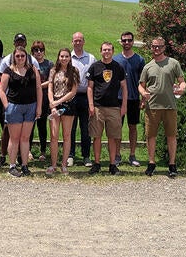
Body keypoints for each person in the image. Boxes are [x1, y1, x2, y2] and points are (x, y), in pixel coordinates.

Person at [138, 36, 186, 177]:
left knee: (171, 135)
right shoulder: (148, 66)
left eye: (159, 46)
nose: (156, 49)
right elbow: (141, 85)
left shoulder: (173, 63)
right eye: (154, 46)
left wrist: (182, 89)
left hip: (170, 106)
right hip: (152, 106)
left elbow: (182, 81)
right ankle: (151, 163)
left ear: (164, 47)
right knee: (150, 136)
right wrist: (143, 93)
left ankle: (172, 165)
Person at [0, 33, 40, 168]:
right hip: (14, 106)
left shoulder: (33, 67)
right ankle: (12, 165)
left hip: (30, 106)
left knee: (25, 138)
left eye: (22, 56)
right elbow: (1, 89)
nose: (20, 58)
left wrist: (38, 107)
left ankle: (25, 165)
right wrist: (7, 106)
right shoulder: (8, 68)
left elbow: (38, 88)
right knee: (13, 138)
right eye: (18, 56)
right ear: (14, 56)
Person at [86, 41, 127, 175]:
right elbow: (89, 87)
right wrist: (91, 105)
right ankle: (97, 163)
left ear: (113, 51)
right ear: (101, 51)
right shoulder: (94, 67)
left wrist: (124, 106)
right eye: (104, 50)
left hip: (114, 107)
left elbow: (124, 88)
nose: (107, 52)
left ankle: (112, 165)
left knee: (113, 137)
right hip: (97, 106)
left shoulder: (118, 67)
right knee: (96, 137)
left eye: (109, 50)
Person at [113, 31, 145, 167]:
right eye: (124, 40)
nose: (126, 43)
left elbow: (143, 82)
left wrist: (143, 98)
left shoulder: (140, 60)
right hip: (117, 99)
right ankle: (117, 155)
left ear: (132, 42)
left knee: (133, 127)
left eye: (129, 40)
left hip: (133, 98)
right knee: (117, 128)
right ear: (121, 42)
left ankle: (132, 155)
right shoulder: (115, 59)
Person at [46, 48, 79, 175]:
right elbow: (50, 88)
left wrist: (58, 102)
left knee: (66, 136)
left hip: (68, 105)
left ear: (70, 58)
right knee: (54, 136)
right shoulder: (53, 71)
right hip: (54, 105)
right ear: (58, 57)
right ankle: (53, 164)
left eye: (66, 56)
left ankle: (64, 164)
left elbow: (73, 91)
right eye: (62, 56)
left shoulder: (74, 71)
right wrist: (52, 104)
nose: (64, 58)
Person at [69, 32, 96, 167]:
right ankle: (70, 155)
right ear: (72, 42)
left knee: (86, 128)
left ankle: (86, 156)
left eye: (80, 40)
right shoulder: (68, 57)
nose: (78, 43)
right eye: (75, 40)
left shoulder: (91, 58)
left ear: (84, 42)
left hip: (85, 97)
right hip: (71, 97)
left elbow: (94, 79)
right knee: (70, 128)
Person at [30, 40, 53, 162]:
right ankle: (27, 150)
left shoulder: (49, 64)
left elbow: (51, 80)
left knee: (42, 126)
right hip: (31, 99)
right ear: (32, 52)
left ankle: (43, 151)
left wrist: (38, 86)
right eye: (36, 50)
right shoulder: (29, 64)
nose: (39, 52)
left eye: (41, 50)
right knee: (30, 126)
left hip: (44, 99)